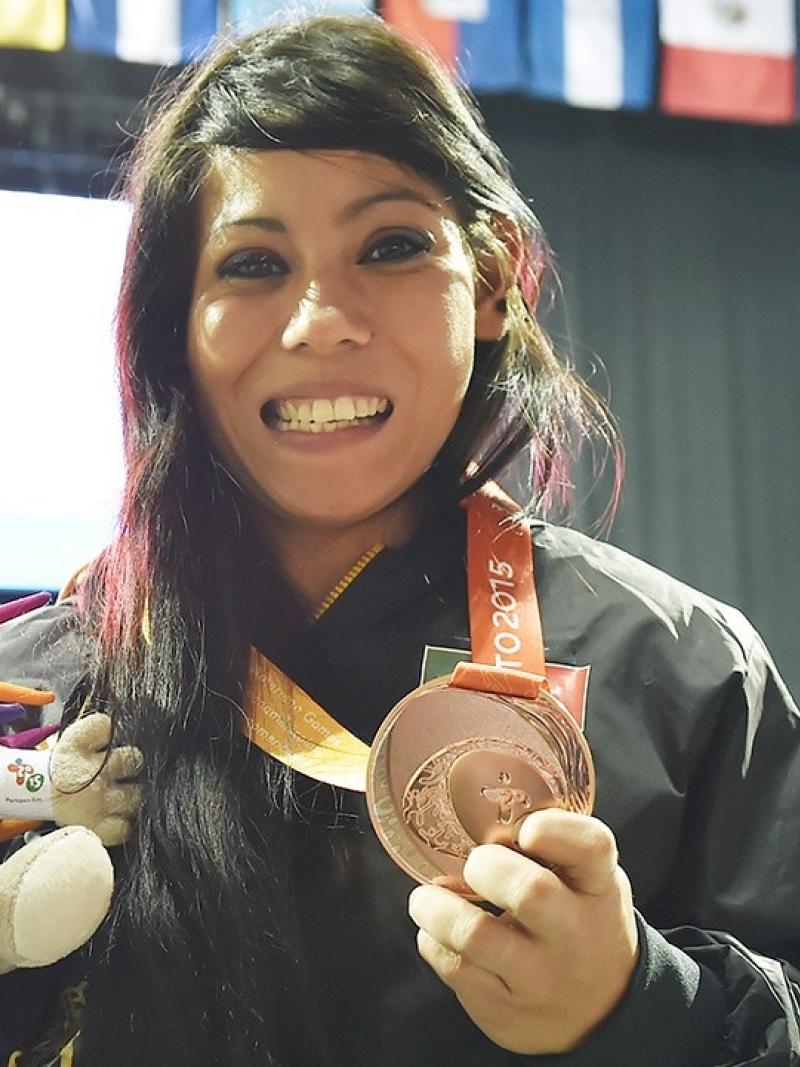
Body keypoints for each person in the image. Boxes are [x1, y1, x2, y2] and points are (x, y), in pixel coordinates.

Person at [0, 13, 798, 1067]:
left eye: (390, 246)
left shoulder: (686, 672)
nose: (322, 320)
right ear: (172, 327)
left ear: (493, 278)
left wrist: (639, 1001)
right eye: (250, 264)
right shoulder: (38, 702)